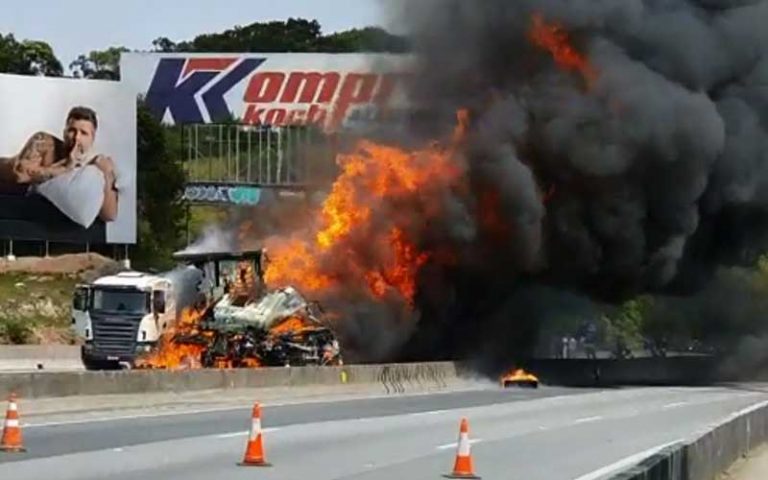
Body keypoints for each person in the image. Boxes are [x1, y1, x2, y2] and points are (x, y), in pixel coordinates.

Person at [0, 106, 118, 222]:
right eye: (72, 130)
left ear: (92, 138)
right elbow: (19, 175)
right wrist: (66, 166)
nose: (76, 137)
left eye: (84, 133)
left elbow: (109, 215)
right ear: (64, 132)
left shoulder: (94, 167)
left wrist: (107, 175)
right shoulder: (45, 143)